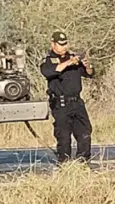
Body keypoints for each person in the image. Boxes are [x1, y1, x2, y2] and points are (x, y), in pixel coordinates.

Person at [40, 31, 94, 164]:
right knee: (64, 137)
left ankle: (83, 162)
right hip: (61, 105)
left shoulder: (73, 57)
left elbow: (89, 74)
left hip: (77, 102)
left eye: (65, 44)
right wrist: (69, 62)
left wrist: (87, 66)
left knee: (84, 134)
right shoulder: (48, 60)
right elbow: (50, 71)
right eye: (60, 44)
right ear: (53, 44)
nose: (64, 47)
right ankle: (64, 164)